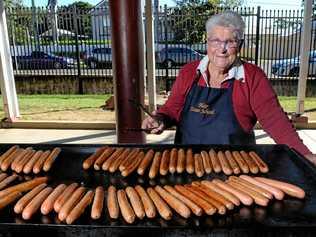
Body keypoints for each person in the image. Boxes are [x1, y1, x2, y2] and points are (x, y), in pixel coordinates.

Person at [142, 11, 316, 165]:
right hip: (187, 165)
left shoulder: (252, 76)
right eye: (215, 41)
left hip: (237, 172)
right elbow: (172, 110)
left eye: (230, 42)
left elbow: (275, 121)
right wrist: (159, 119)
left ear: (239, 45)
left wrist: (305, 155)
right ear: (207, 42)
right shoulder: (189, 72)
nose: (222, 49)